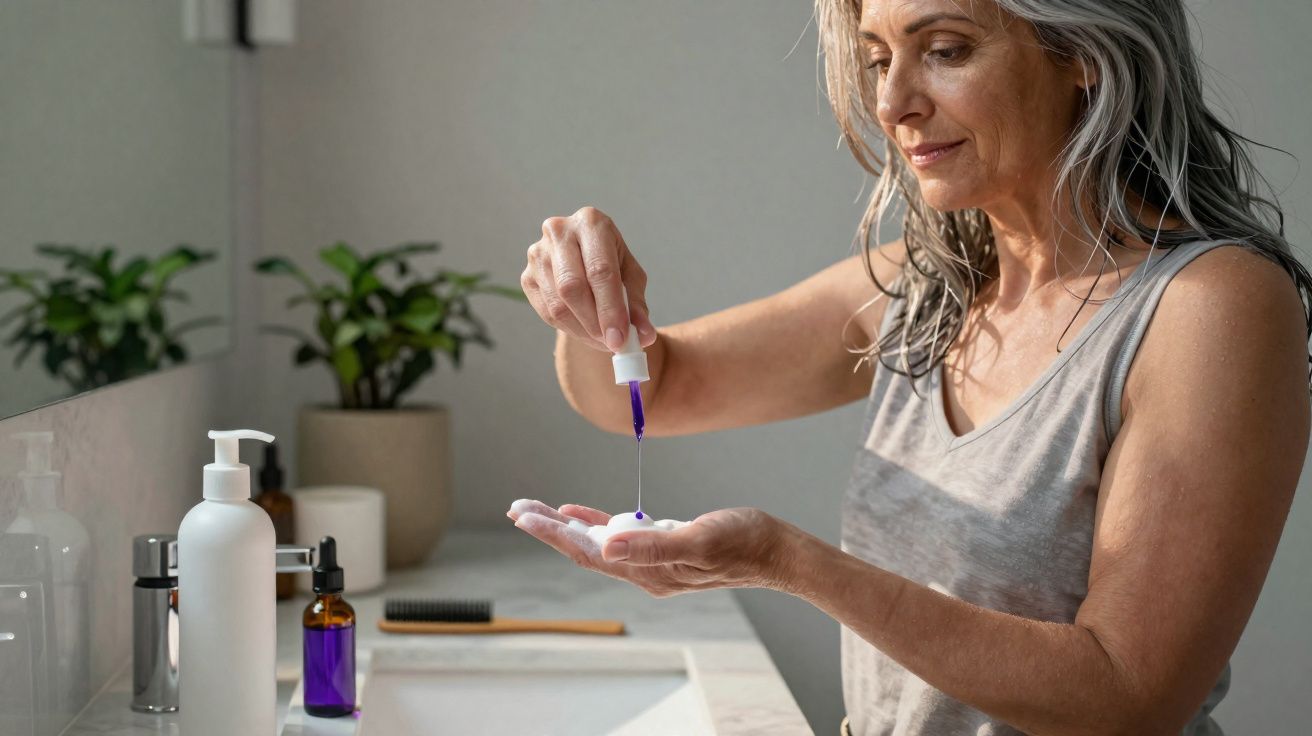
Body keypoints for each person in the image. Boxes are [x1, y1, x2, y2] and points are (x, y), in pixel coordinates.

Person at [507, 0, 1312, 733]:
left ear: (1084, 52)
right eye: (878, 59)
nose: (894, 105)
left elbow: (1128, 694)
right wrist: (596, 313)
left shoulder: (1210, 309)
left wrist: (786, 562)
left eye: (947, 50)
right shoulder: (925, 286)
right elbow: (653, 391)